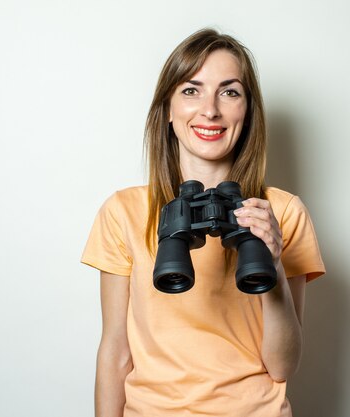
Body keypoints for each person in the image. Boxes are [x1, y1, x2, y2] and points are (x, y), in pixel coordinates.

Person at [81, 28, 326, 417]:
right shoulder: (123, 211)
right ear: (167, 109)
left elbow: (282, 366)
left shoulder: (283, 211)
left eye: (229, 92)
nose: (210, 110)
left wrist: (274, 265)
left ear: (247, 112)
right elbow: (116, 351)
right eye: (191, 90)